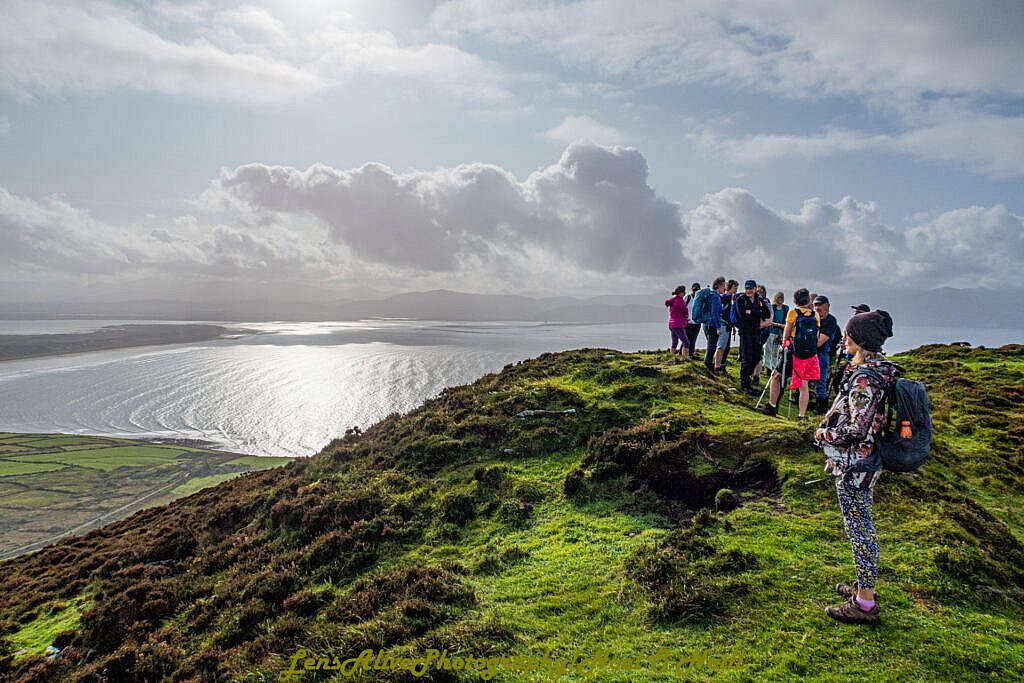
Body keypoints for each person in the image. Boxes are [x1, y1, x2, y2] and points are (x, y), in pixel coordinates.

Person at [814, 310, 897, 625]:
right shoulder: (878, 371)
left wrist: (825, 435)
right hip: (862, 461)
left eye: (849, 334)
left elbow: (857, 429)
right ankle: (863, 586)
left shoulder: (864, 379)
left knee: (859, 529)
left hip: (856, 464)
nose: (844, 339)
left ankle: (865, 603)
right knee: (861, 525)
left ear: (860, 340)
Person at [761, 288, 820, 418]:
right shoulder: (815, 315)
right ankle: (801, 415)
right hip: (809, 353)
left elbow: (786, 334)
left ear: (795, 301)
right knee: (803, 383)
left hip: (793, 351)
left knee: (776, 375)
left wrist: (785, 344)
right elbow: (816, 335)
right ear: (808, 300)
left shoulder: (793, 313)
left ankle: (772, 405)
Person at [733, 279, 771, 395]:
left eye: (750, 288)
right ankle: (745, 384)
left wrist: (752, 312)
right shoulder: (740, 299)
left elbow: (767, 314)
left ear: (755, 289)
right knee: (746, 358)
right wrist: (757, 313)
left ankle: (746, 377)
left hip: (756, 332)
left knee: (756, 357)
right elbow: (743, 316)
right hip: (745, 332)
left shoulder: (759, 300)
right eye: (747, 288)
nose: (748, 291)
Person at [812, 295, 840, 415]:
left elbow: (820, 342)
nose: (817, 307)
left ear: (827, 306)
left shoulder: (830, 320)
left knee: (820, 381)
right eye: (815, 305)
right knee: (803, 379)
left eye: (820, 305)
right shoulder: (811, 317)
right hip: (809, 352)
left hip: (822, 353)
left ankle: (821, 408)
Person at [702, 276, 727, 377]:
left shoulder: (711, 295)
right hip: (712, 325)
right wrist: (718, 327)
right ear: (718, 286)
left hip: (706, 324)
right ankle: (708, 368)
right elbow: (714, 313)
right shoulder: (716, 297)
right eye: (723, 286)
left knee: (711, 346)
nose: (724, 288)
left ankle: (709, 367)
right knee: (711, 347)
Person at [762, 291, 788, 376]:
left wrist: (778, 327)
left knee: (775, 351)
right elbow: (770, 321)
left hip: (779, 332)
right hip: (770, 331)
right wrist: (777, 325)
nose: (780, 299)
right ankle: (767, 367)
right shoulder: (772, 307)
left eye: (782, 297)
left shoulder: (785, 308)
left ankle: (774, 367)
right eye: (779, 297)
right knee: (768, 349)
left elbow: (784, 323)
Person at [716, 279, 739, 372]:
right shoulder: (727, 297)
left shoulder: (730, 298)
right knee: (722, 347)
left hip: (727, 325)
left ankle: (721, 365)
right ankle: (718, 366)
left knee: (726, 347)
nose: (736, 289)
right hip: (723, 324)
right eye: (734, 287)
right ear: (729, 287)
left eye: (736, 287)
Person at [665, 286, 690, 359]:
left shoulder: (672, 300)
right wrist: (686, 318)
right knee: (686, 342)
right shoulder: (680, 301)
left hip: (672, 324)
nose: (685, 293)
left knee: (675, 341)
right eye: (684, 292)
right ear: (681, 293)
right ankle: (685, 358)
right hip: (678, 324)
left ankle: (671, 357)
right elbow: (685, 311)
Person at [684, 282, 702, 359]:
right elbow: (681, 308)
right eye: (694, 290)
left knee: (693, 340)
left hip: (697, 323)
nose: (695, 291)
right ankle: (683, 355)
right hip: (687, 323)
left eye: (697, 290)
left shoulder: (701, 299)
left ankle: (690, 355)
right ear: (691, 289)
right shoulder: (687, 298)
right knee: (686, 340)